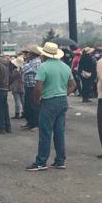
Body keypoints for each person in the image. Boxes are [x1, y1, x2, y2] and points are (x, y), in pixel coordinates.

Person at [25, 41, 75, 171]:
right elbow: (73, 85)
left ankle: (41, 161)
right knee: (59, 132)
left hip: (49, 101)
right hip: (62, 100)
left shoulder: (44, 67)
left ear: (45, 55)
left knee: (45, 133)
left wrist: (36, 99)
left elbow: (38, 88)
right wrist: (64, 93)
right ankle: (60, 160)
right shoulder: (65, 66)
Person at [21, 46, 42, 130]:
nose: (27, 55)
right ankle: (30, 122)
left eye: (29, 53)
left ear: (33, 54)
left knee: (33, 105)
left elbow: (24, 69)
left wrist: (25, 65)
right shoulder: (31, 61)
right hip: (28, 86)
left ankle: (35, 124)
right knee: (28, 105)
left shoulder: (36, 61)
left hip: (33, 86)